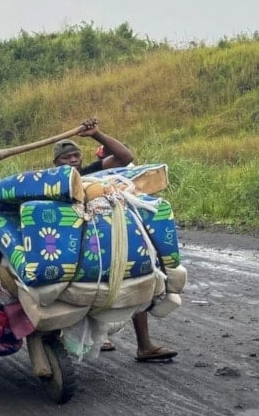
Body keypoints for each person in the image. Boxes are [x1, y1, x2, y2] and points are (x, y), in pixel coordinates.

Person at [52, 117, 177, 362]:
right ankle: (96, 338)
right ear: (56, 163)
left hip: (106, 240)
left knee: (134, 282)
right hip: (74, 247)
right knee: (82, 290)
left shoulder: (92, 174)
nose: (73, 161)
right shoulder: (50, 184)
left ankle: (145, 345)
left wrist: (97, 135)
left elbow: (125, 157)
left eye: (75, 156)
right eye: (66, 158)